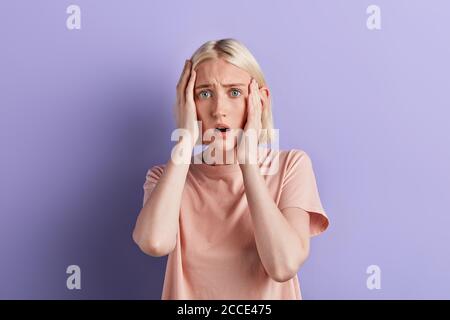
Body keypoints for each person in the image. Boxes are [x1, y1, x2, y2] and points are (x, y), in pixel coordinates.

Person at [132, 38, 329, 299]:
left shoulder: (290, 167)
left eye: (234, 92)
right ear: (188, 104)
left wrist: (247, 162)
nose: (219, 110)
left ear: (260, 99)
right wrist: (186, 141)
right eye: (204, 93)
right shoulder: (165, 178)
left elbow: (283, 265)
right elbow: (154, 242)